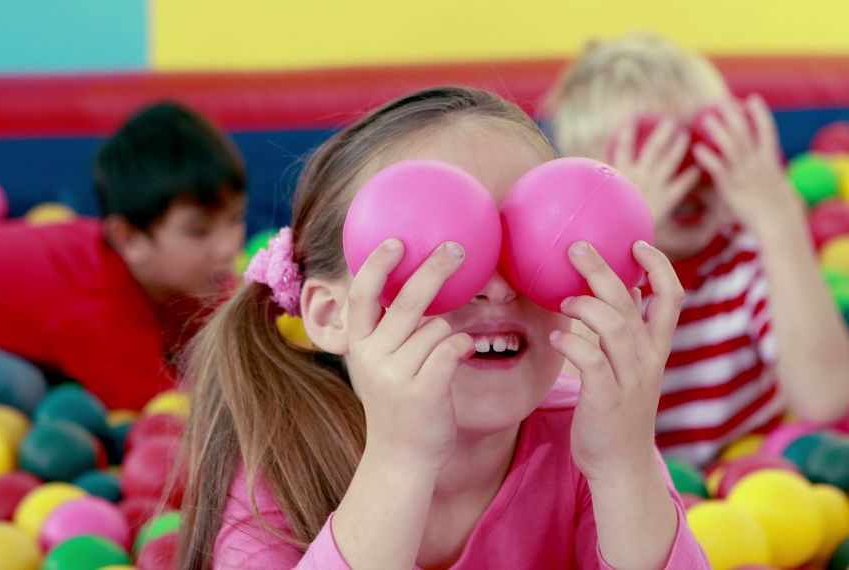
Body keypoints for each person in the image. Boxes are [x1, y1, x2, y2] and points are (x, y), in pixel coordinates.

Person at [178, 86, 707, 569]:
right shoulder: (286, 463)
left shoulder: (594, 439)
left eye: (534, 244)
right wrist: (400, 460)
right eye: (436, 248)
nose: (497, 287)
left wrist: (623, 464)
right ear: (330, 314)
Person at [545, 33, 849, 466]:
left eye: (705, 144)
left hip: (749, 488)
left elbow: (825, 396)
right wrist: (623, 229)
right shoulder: (573, 274)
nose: (690, 178)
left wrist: (778, 218)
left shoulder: (744, 258)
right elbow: (561, 404)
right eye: (657, 155)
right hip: (626, 488)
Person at [0, 102, 247, 410]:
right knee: (23, 388)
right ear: (129, 238)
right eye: (199, 231)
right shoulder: (98, 305)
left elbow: (219, 342)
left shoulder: (173, 274)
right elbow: (158, 409)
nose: (228, 245)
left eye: (235, 219)